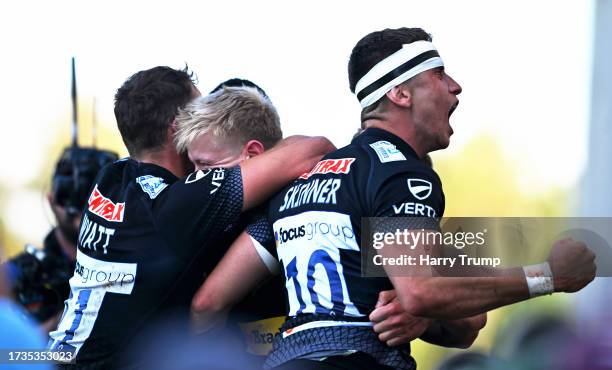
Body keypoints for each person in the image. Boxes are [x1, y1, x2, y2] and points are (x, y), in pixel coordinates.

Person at [189, 27, 596, 370]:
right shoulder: (399, 172)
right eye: (439, 75)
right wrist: (550, 276)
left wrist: (420, 312)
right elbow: (425, 291)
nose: (456, 87)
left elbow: (208, 303)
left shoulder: (300, 180)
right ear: (401, 94)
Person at [47, 66, 334, 369]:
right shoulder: (178, 204)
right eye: (197, 111)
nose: (202, 118)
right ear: (176, 129)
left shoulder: (112, 177)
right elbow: (314, 149)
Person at [173, 79, 288, 363]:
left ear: (252, 153)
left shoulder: (296, 199)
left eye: (207, 166)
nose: (196, 179)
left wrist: (411, 308)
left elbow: (205, 306)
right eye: (193, 166)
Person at [3, 147, 117, 332]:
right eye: (69, 197)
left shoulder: (135, 264)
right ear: (50, 200)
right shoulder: (15, 276)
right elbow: (10, 355)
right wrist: (69, 316)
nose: (83, 209)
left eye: (97, 200)